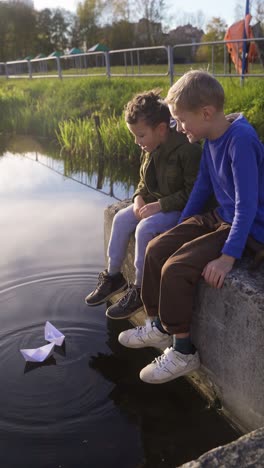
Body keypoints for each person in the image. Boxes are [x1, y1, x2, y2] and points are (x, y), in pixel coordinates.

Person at [118, 70, 264, 384]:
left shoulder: (240, 140)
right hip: (219, 215)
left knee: (177, 267)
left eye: (181, 120)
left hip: (245, 226)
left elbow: (247, 206)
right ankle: (158, 327)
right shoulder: (211, 137)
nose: (177, 127)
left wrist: (227, 257)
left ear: (206, 113)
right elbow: (201, 187)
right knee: (158, 248)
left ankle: (183, 351)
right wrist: (182, 227)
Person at [85, 89, 202, 319]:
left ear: (160, 129)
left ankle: (139, 288)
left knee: (145, 228)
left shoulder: (188, 150)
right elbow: (142, 181)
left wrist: (160, 206)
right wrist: (138, 197)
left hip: (179, 211)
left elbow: (194, 194)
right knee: (120, 218)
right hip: (155, 204)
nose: (137, 142)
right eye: (134, 136)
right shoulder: (149, 147)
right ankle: (113, 276)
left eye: (140, 135)